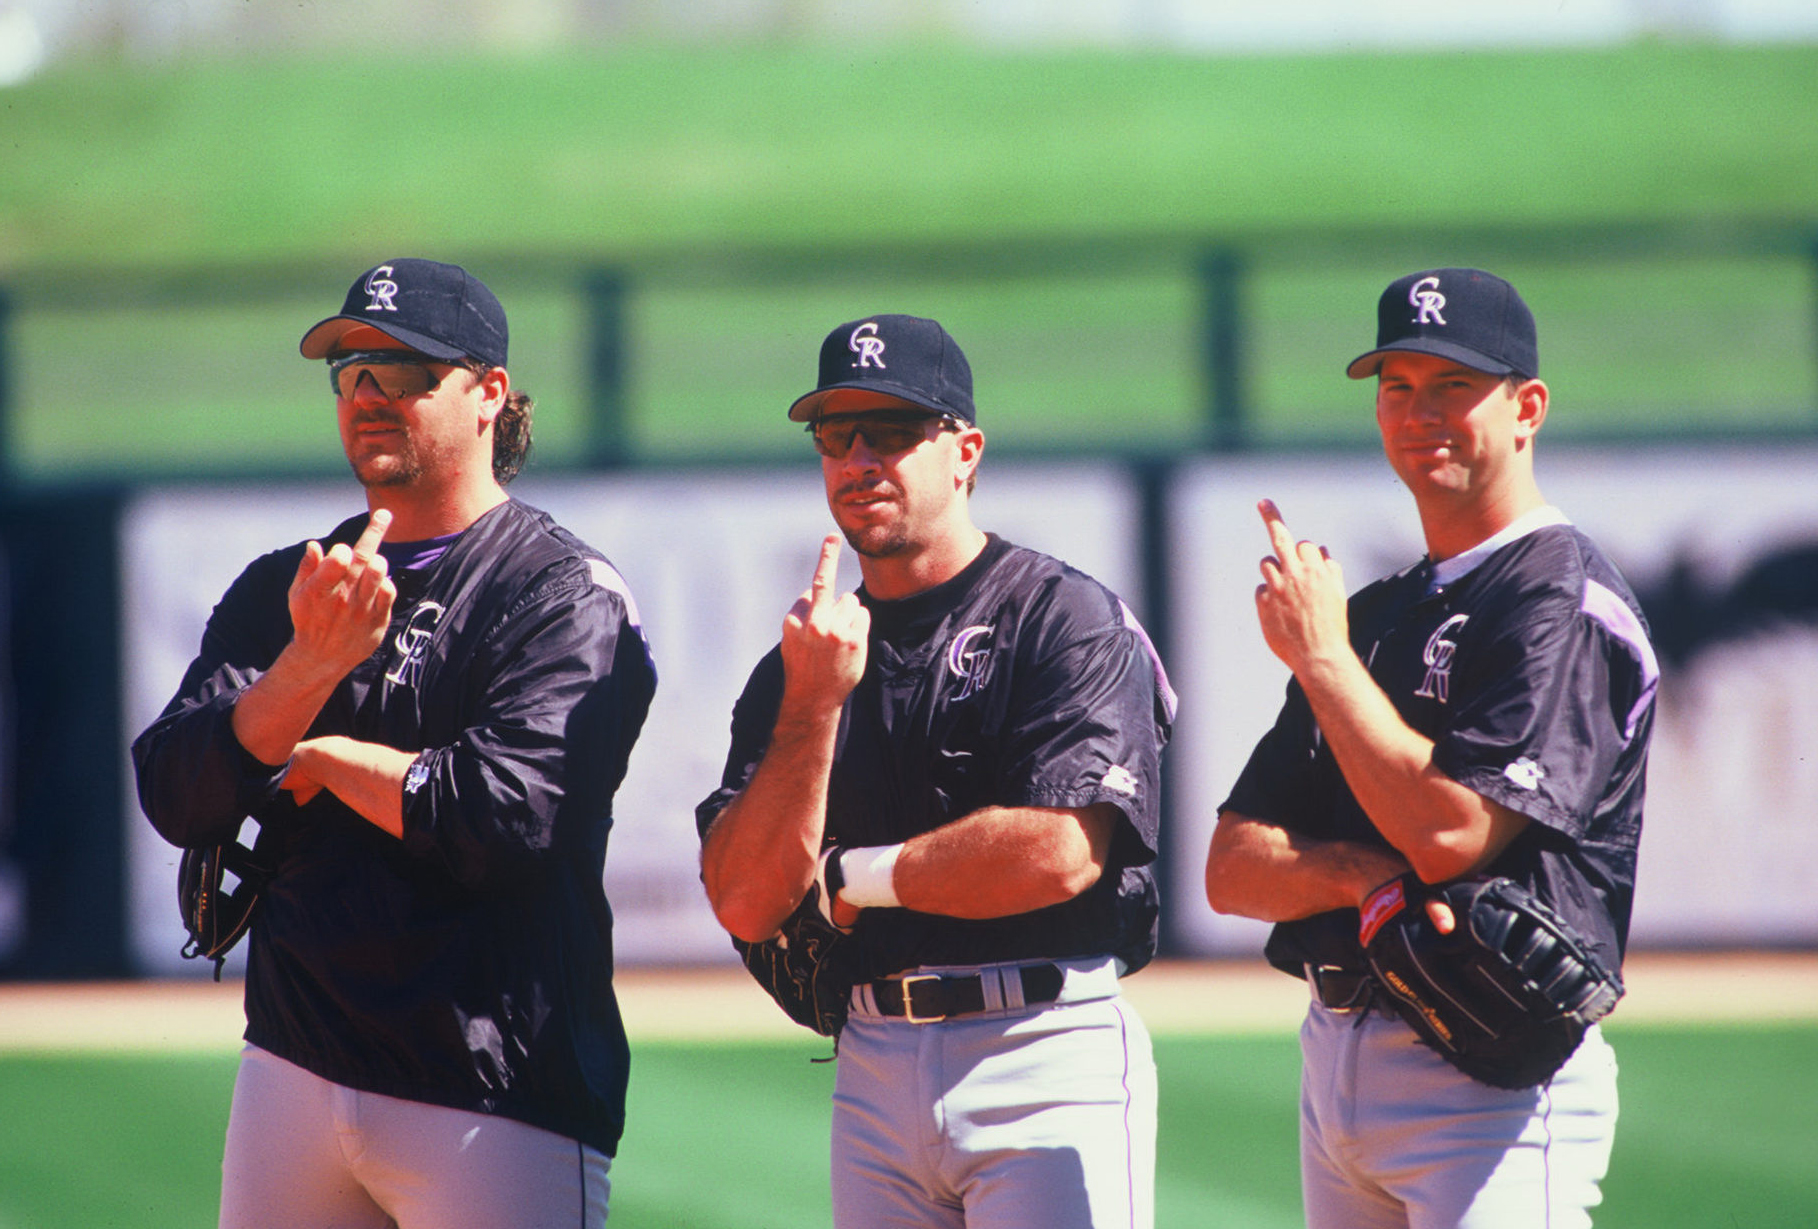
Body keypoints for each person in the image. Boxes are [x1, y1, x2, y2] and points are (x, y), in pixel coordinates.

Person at [133, 258, 657, 1229]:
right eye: (352, 370)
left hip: (491, 1081)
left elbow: (506, 818)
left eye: (404, 370)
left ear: (488, 393)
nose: (370, 394)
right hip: (293, 1061)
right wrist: (304, 670)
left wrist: (321, 756)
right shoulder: (287, 586)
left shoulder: (562, 594)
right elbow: (175, 788)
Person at [696, 314, 1176, 1229]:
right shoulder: (801, 666)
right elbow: (746, 898)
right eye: (837, 434)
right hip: (873, 1055)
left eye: (895, 429)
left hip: (1043, 1043)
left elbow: (1062, 849)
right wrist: (812, 705)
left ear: (965, 452)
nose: (861, 456)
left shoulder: (1059, 617)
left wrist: (850, 879)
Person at [1206, 268, 1658, 1228]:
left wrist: (1324, 661)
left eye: (1454, 385)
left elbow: (1452, 834)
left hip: (1489, 1077)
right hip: (1336, 1058)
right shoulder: (1378, 611)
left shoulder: (1559, 600)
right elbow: (1233, 867)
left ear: (1528, 407)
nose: (1420, 412)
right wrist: (1369, 881)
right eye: (1397, 385)